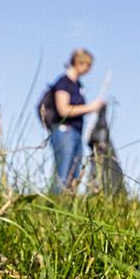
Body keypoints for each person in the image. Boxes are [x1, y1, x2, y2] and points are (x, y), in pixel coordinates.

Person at [49, 49, 105, 193]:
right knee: (63, 173)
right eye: (88, 65)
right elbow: (64, 110)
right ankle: (55, 207)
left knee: (74, 174)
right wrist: (90, 107)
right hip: (64, 131)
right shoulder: (63, 82)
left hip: (76, 133)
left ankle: (68, 207)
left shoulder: (77, 85)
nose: (89, 69)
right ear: (80, 63)